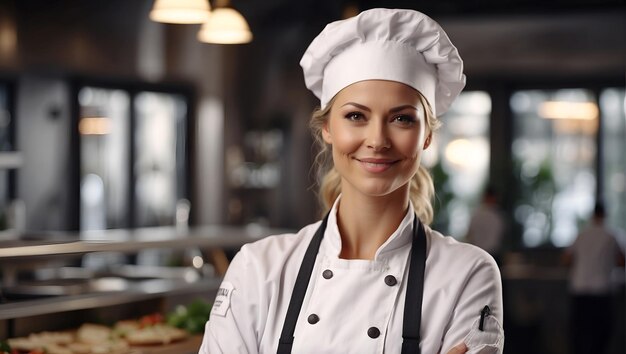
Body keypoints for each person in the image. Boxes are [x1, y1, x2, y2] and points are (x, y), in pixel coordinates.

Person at [200, 8, 504, 354]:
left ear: (426, 136)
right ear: (328, 128)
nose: (377, 140)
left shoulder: (468, 274)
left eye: (402, 118)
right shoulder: (259, 268)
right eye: (356, 116)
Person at [562, 202, 625, 354]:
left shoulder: (582, 234)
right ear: (605, 215)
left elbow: (566, 259)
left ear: (593, 215)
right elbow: (622, 261)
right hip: (602, 290)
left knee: (579, 333)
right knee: (600, 334)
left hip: (580, 288)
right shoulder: (611, 236)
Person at [465, 186, 506, 265]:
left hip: (478, 254)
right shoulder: (498, 216)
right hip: (494, 255)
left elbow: (469, 236)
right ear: (494, 198)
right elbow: (501, 237)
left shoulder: (476, 215)